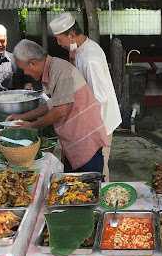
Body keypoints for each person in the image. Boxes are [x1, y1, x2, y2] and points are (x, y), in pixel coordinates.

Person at [6, 39, 108, 173]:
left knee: (89, 184)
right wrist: (21, 116)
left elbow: (60, 111)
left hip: (86, 139)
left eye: (24, 69)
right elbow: (52, 104)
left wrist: (32, 126)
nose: (25, 73)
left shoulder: (60, 71)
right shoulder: (54, 68)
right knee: (72, 184)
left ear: (33, 63)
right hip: (75, 139)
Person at [48, 13, 121, 180]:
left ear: (72, 35)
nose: (58, 44)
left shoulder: (90, 58)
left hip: (100, 123)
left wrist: (87, 130)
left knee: (98, 172)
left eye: (60, 39)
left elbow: (99, 98)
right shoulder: (80, 49)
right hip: (92, 121)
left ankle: (102, 201)